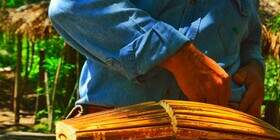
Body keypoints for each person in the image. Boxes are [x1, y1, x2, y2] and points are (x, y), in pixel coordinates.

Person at [48, 0, 264, 118]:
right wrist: (178, 55)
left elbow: (250, 38)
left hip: (227, 139)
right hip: (117, 136)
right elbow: (70, 6)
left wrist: (254, 65)